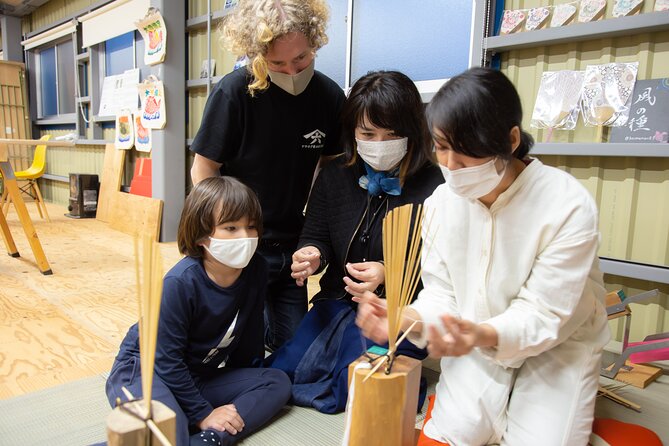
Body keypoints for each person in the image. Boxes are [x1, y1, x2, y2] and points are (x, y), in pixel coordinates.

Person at [355, 67, 610, 445]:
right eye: (441, 147)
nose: (451, 166)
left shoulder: (567, 205)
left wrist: (480, 333)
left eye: (467, 151)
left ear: (509, 140)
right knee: (456, 433)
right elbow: (442, 294)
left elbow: (544, 314)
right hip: (473, 336)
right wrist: (402, 317)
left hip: (558, 345)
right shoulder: (442, 203)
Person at [265, 70, 444, 413]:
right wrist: (312, 254)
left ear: (413, 132)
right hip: (336, 304)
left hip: (396, 314)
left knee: (356, 386)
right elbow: (316, 234)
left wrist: (390, 272)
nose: (378, 144)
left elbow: (442, 270)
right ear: (352, 132)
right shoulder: (335, 176)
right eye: (368, 133)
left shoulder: (434, 186)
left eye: (392, 134)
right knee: (282, 371)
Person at [189, 0, 346, 351]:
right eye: (277, 63)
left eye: (301, 58)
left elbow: (332, 174)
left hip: (292, 243)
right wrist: (222, 236)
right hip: (243, 243)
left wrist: (315, 239)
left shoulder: (329, 97)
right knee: (240, 346)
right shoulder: (234, 93)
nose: (291, 71)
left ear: (315, 43)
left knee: (294, 350)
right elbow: (204, 169)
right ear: (256, 54)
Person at [105, 177, 291, 446]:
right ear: (202, 235)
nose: (246, 237)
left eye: (251, 227)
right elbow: (165, 361)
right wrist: (203, 413)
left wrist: (241, 383)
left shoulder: (257, 269)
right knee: (170, 432)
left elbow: (249, 339)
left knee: (276, 382)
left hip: (197, 373)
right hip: (144, 372)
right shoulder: (179, 283)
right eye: (231, 228)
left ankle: (207, 439)